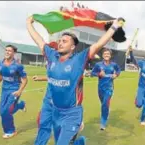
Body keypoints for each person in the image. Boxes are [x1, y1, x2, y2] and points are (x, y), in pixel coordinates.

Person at [27, 15, 124, 145]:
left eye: (65, 41)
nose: (60, 43)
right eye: (60, 40)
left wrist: (114, 26)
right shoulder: (52, 56)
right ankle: (80, 142)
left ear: (73, 47)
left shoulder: (79, 59)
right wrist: (29, 23)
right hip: (56, 111)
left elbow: (99, 44)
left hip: (72, 113)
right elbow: (39, 40)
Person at [0, 45, 28, 139]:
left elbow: (24, 80)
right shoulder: (0, 63)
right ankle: (21, 105)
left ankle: (10, 131)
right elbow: (0, 76)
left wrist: (20, 91)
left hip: (14, 90)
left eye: (10, 51)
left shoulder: (18, 66)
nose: (7, 52)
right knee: (1, 112)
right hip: (4, 90)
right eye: (6, 50)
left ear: (14, 53)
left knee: (6, 111)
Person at [91, 48, 121, 130]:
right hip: (100, 89)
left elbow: (118, 70)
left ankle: (103, 123)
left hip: (109, 88)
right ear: (102, 55)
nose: (106, 55)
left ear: (110, 55)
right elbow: (92, 73)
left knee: (105, 104)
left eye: (108, 54)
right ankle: (107, 111)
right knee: (104, 105)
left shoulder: (114, 65)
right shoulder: (98, 65)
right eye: (105, 54)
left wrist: (116, 75)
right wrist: (99, 74)